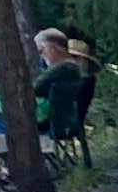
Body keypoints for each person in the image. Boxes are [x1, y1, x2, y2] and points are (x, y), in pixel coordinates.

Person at [33, 31, 99, 168]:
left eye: (76, 57)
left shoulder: (64, 70)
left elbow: (33, 90)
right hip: (68, 122)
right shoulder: (85, 79)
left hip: (56, 123)